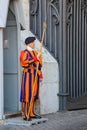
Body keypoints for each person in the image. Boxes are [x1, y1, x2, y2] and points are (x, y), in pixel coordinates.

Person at [20, 36, 43, 121]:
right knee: (27, 94)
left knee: (33, 94)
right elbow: (24, 63)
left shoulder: (36, 52)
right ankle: (26, 114)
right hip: (28, 75)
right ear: (29, 43)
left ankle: (32, 113)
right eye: (33, 42)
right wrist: (35, 58)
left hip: (35, 76)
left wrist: (40, 74)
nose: (34, 44)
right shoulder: (24, 52)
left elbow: (39, 65)